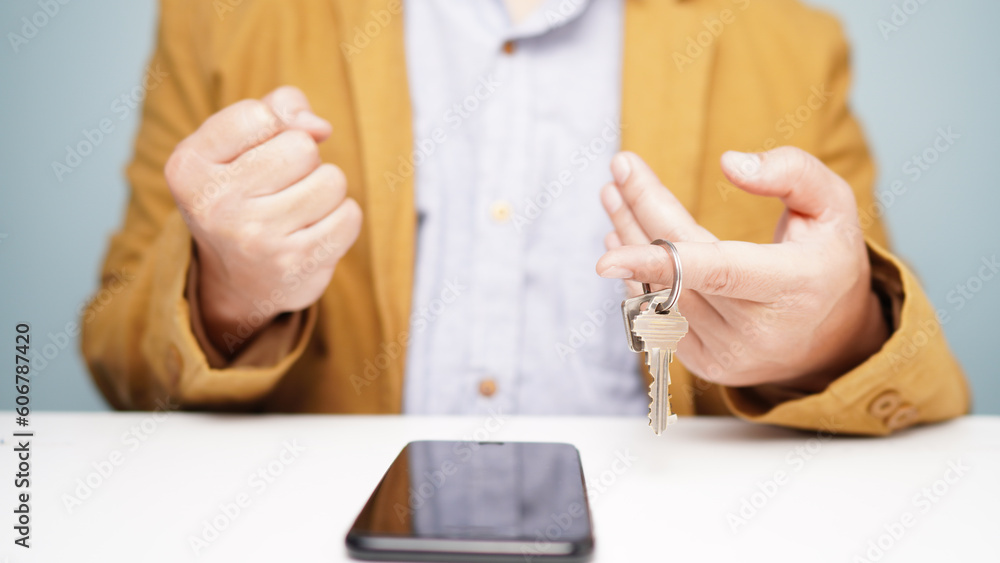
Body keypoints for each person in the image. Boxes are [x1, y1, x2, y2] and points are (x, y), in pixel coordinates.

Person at [82, 0, 969, 435]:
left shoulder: (790, 40)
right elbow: (121, 357)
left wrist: (826, 330)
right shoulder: (221, 19)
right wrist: (229, 288)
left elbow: (916, 378)